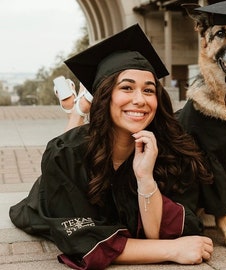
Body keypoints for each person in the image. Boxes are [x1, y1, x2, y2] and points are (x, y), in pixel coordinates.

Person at [9, 24, 213, 270]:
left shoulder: (169, 149)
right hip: (51, 197)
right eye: (126, 88)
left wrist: (145, 178)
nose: (139, 100)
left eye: (148, 90)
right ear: (105, 95)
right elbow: (82, 242)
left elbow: (157, 232)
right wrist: (171, 250)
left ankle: (75, 108)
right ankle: (76, 110)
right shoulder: (64, 155)